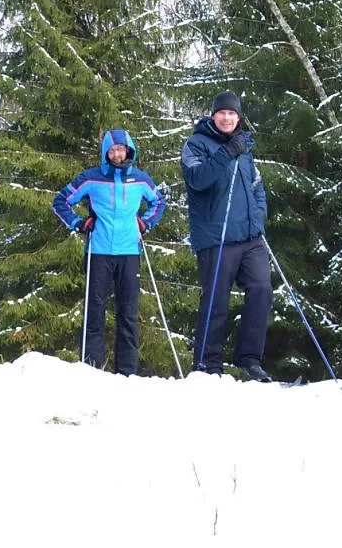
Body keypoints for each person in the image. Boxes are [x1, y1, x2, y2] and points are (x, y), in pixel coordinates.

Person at [53, 128, 167, 375]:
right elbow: (61, 201)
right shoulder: (91, 178)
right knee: (95, 310)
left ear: (129, 150)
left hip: (129, 252)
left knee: (128, 312)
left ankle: (127, 372)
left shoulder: (140, 179)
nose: (117, 154)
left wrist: (145, 222)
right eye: (112, 150)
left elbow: (159, 202)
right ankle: (93, 369)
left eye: (121, 149)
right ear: (106, 153)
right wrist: (79, 223)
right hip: (99, 251)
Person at [181, 91, 274, 383]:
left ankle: (250, 359)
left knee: (261, 290)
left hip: (250, 236)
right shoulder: (196, 144)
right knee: (216, 300)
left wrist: (259, 215)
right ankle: (208, 363)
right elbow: (197, 179)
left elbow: (257, 185)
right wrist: (226, 153)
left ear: (238, 117)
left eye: (232, 114)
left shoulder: (244, 147)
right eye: (221, 113)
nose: (226, 117)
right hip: (215, 236)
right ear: (213, 115)